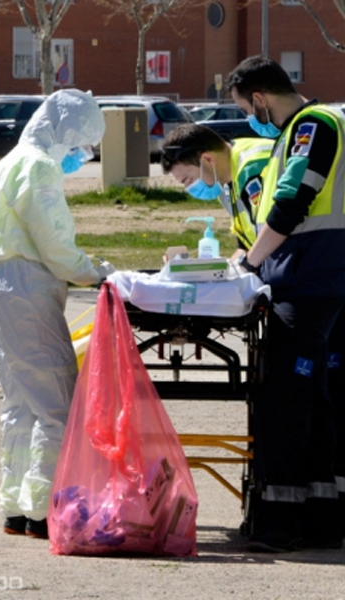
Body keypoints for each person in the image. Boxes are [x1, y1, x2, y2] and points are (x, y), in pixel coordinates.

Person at [0, 89, 112, 540]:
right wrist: (95, 273)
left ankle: (15, 505)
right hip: (26, 288)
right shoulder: (39, 167)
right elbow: (54, 243)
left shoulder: (11, 161)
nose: (83, 155)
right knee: (56, 403)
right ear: (65, 132)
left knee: (20, 403)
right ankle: (44, 510)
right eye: (82, 144)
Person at [227, 55, 345, 552]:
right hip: (324, 278)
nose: (252, 119)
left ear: (259, 97)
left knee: (283, 402)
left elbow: (294, 200)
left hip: (309, 280)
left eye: (247, 109)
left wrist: (252, 262)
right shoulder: (319, 123)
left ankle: (279, 523)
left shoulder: (309, 126)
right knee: (319, 403)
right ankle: (322, 520)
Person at [160, 123, 273, 256]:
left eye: (188, 180)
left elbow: (275, 234)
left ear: (208, 160)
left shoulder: (253, 168)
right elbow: (247, 245)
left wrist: (247, 266)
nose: (188, 188)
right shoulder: (223, 183)